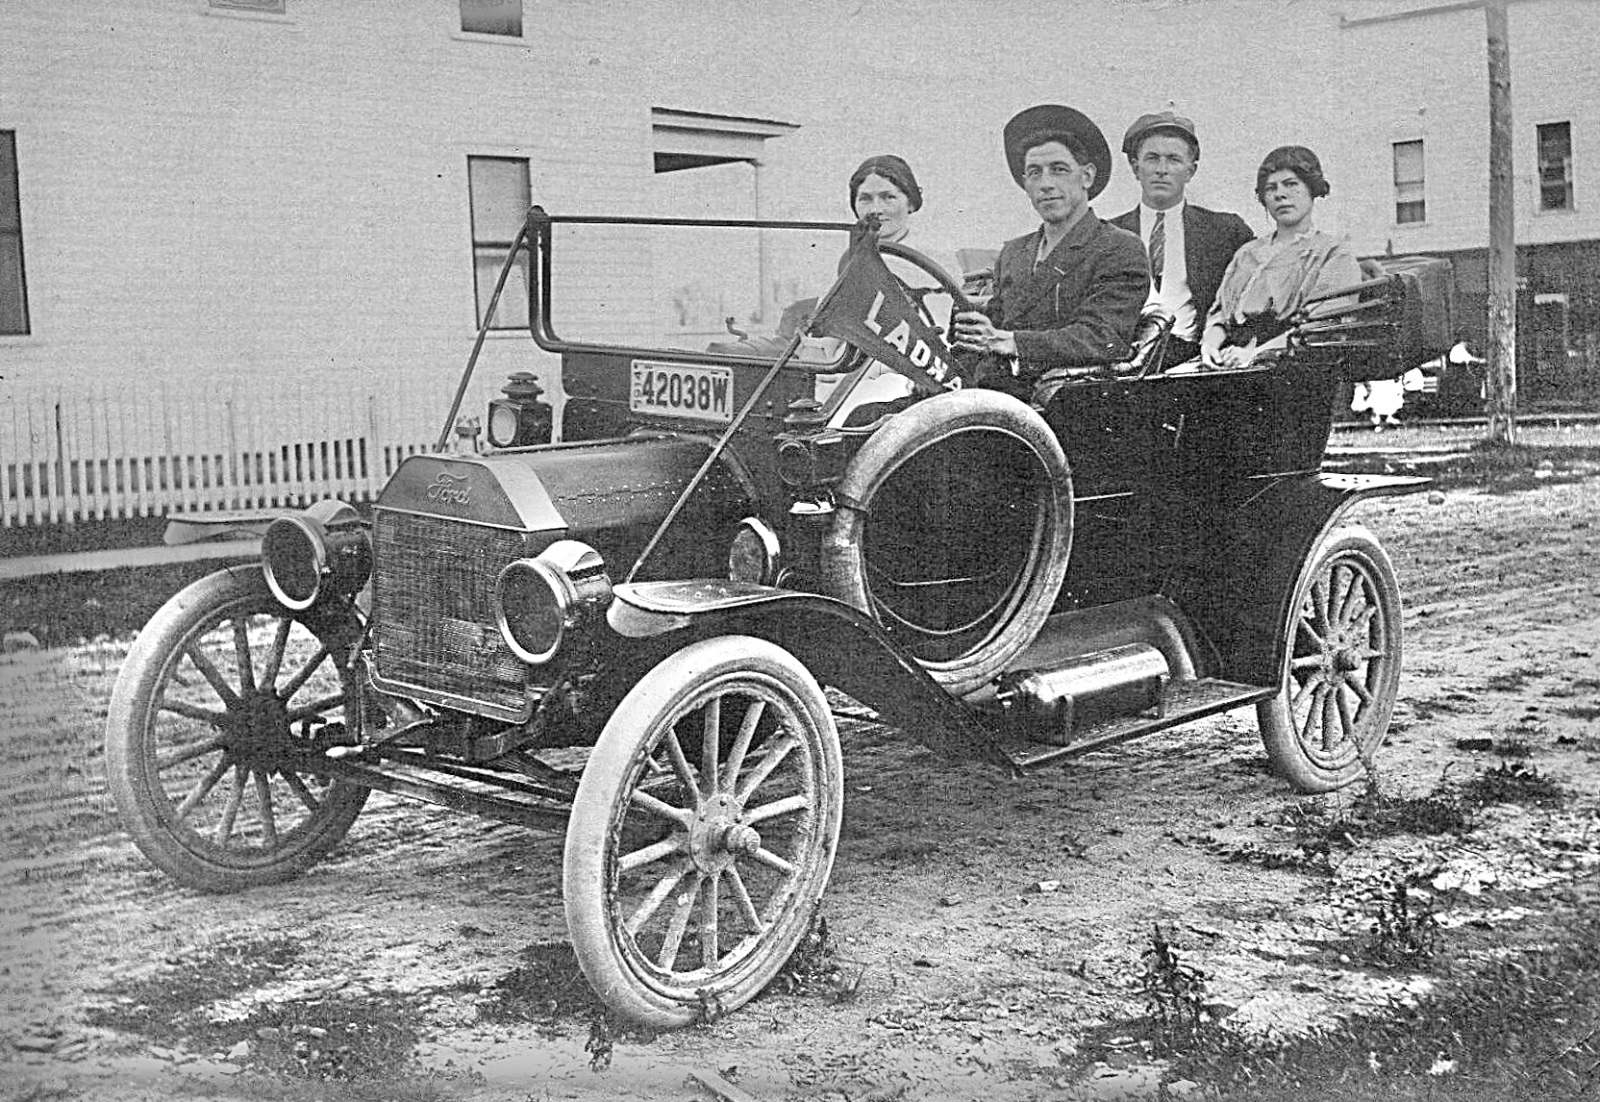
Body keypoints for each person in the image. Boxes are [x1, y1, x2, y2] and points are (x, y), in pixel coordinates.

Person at [951, 104, 1148, 391]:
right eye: (1035, 173)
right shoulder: (1014, 253)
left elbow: (1102, 338)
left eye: (1059, 170)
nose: (1045, 184)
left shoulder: (1117, 248)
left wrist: (1011, 342)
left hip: (1052, 398)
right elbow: (984, 336)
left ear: (1087, 176)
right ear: (1025, 184)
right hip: (988, 391)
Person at [1110, 109, 1255, 365]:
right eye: (1152, 158)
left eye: (1174, 160)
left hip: (1194, 362)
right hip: (1125, 362)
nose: (1162, 170)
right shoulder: (1108, 235)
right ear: (1135, 167)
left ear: (1190, 170)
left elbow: (1251, 300)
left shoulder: (1225, 231)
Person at [1198, 145, 1362, 370]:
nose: (1280, 194)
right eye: (1271, 188)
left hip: (1299, 369)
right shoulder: (1246, 253)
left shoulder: (1332, 252)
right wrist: (1210, 345)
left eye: (1291, 184)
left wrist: (1256, 354)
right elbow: (1220, 316)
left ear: (1312, 188)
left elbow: (1325, 324)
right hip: (1231, 364)